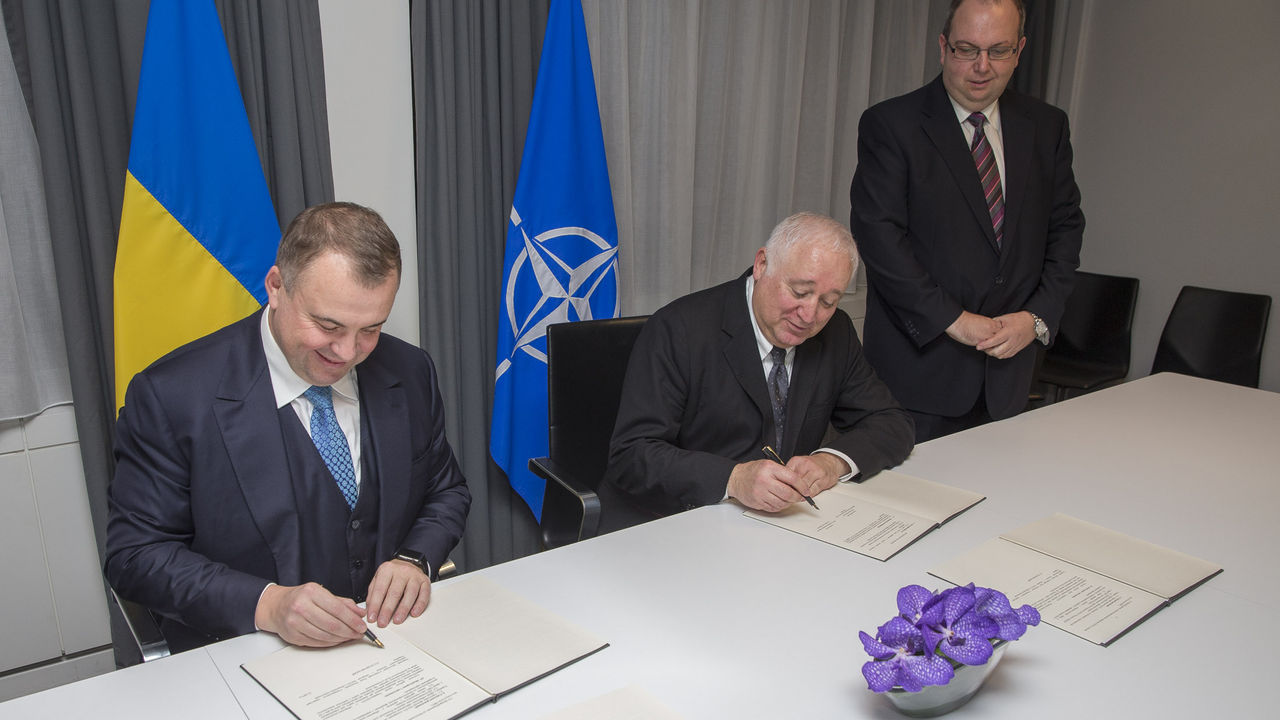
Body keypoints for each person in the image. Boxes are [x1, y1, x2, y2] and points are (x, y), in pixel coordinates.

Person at [106, 202, 471, 652]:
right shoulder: (173, 397)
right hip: (243, 651)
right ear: (277, 287)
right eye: (327, 325)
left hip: (393, 647)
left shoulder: (410, 369)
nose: (347, 352)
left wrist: (414, 559)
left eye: (370, 329)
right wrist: (267, 605)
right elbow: (135, 556)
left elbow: (446, 491)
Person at [849, 0, 1084, 442]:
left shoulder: (1047, 126)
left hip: (1010, 377)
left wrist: (1035, 318)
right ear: (942, 47)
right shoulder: (891, 125)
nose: (981, 67)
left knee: (1002, 503)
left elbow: (1066, 229)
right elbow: (879, 239)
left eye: (998, 50)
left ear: (1019, 50)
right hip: (917, 377)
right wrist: (954, 319)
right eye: (965, 49)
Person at [604, 212, 914, 519]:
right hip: (679, 519)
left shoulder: (836, 332)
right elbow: (632, 454)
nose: (809, 316)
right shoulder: (680, 329)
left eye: (828, 302)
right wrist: (734, 479)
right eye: (799, 292)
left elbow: (891, 423)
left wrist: (830, 463)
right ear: (762, 264)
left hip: (778, 524)